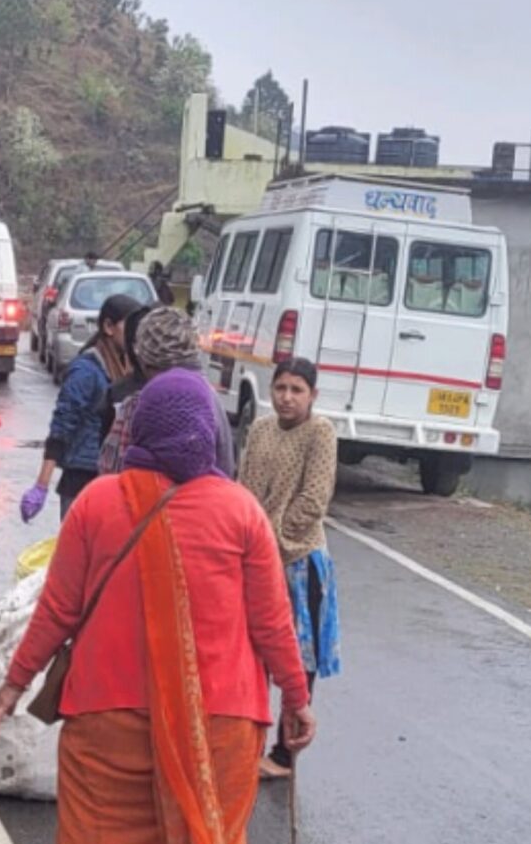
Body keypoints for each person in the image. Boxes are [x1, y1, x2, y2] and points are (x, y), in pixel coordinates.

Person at [0, 374, 312, 844]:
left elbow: (58, 609)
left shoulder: (99, 503)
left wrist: (14, 683)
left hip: (105, 726)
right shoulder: (241, 513)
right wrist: (297, 700)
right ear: (212, 436)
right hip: (220, 733)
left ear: (138, 431)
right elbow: (271, 624)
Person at [238, 358, 341, 778]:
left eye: (297, 390)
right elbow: (244, 489)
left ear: (312, 395)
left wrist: (271, 541)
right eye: (281, 388)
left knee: (300, 657)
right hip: (255, 557)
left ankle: (285, 753)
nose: (287, 398)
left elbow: (313, 502)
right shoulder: (260, 429)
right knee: (253, 649)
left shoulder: (320, 432)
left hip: (300, 558)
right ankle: (248, 740)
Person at [26, 289, 145, 525]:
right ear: (108, 327)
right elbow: (62, 426)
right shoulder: (86, 372)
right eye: (129, 327)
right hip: (81, 480)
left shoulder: (127, 369)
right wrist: (41, 484)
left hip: (112, 481)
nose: (135, 335)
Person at [97, 301, 235, 479]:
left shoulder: (136, 405)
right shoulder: (212, 400)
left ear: (142, 358)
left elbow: (112, 472)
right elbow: (226, 468)